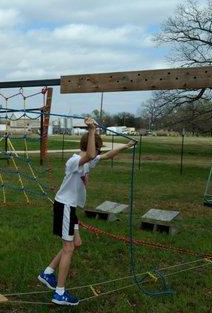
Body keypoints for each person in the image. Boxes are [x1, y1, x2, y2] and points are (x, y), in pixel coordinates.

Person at [37, 117, 135, 305]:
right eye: (98, 148)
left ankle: (47, 272)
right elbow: (90, 155)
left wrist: (128, 145)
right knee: (68, 248)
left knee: (76, 243)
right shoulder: (75, 161)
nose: (98, 152)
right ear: (93, 147)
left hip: (70, 207)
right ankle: (59, 293)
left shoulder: (89, 161)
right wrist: (92, 130)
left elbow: (106, 156)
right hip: (64, 205)